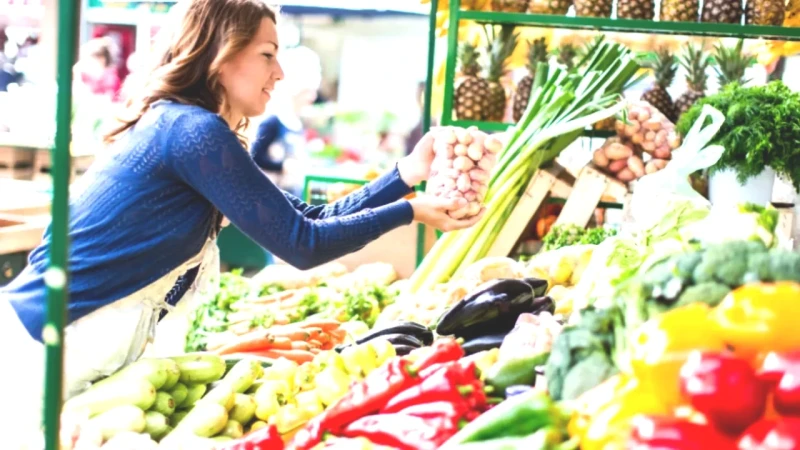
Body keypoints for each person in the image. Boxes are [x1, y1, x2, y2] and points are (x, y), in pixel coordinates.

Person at [0, 0, 482, 446]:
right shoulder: (194, 131)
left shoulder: (188, 127)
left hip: (73, 351)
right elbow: (302, 244)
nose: (280, 71)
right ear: (222, 54)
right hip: (41, 351)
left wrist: (406, 176)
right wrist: (411, 211)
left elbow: (303, 219)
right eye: (268, 54)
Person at [250, 45, 322, 197]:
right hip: (272, 196)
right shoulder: (273, 122)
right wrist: (282, 166)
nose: (312, 97)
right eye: (307, 92)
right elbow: (254, 156)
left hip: (292, 195)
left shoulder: (296, 122)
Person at [74, 37, 121, 101]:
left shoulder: (111, 75)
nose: (96, 60)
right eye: (94, 56)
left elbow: (113, 96)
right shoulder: (83, 74)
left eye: (99, 56)